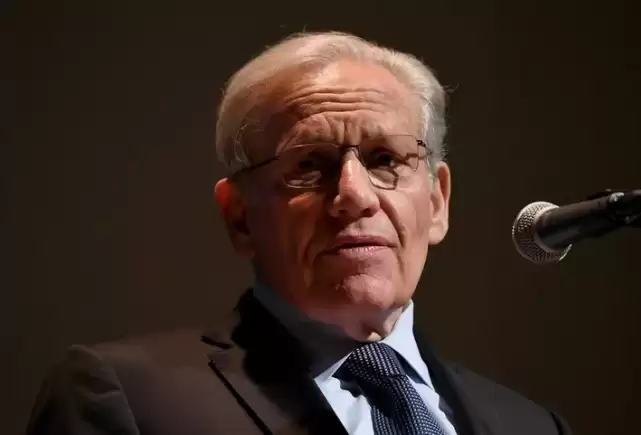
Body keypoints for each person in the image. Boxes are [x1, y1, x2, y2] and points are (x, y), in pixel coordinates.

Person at [27, 31, 571, 435]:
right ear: (240, 216)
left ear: (436, 202)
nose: (355, 195)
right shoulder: (129, 399)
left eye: (385, 159)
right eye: (309, 165)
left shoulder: (533, 426)